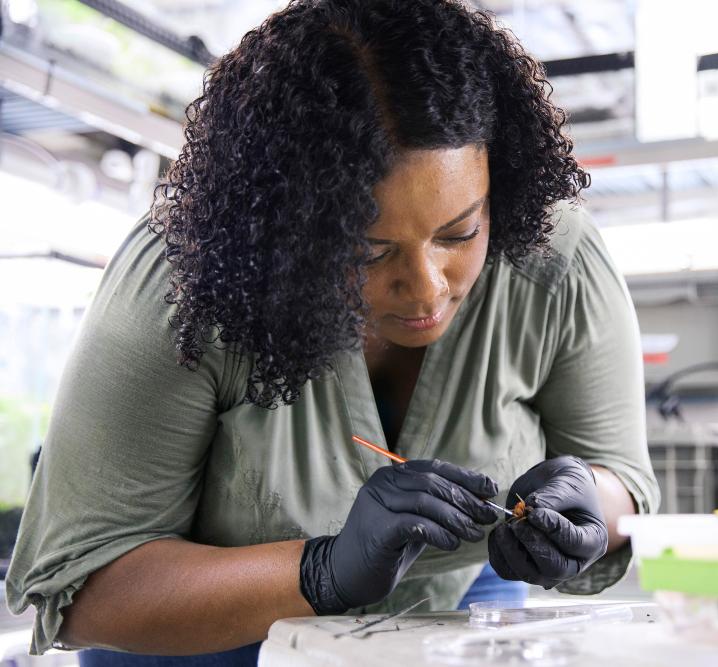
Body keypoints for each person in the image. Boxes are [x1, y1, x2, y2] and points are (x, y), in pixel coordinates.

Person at [5, 0, 659, 663]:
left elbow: (619, 481)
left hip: (455, 611)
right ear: (289, 227)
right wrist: (320, 571)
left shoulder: (557, 258)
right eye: (370, 250)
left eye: (460, 232)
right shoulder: (188, 276)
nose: (429, 288)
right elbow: (83, 587)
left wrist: (588, 510)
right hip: (203, 643)